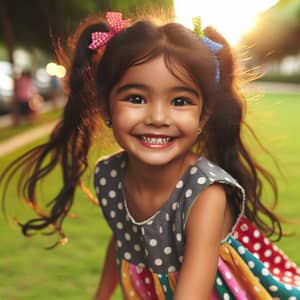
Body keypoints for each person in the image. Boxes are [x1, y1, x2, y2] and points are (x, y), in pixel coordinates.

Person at [1, 12, 300, 299]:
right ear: (105, 107)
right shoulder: (110, 175)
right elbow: (124, 240)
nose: (158, 117)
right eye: (136, 98)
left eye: (180, 101)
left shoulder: (206, 194)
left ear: (203, 115)